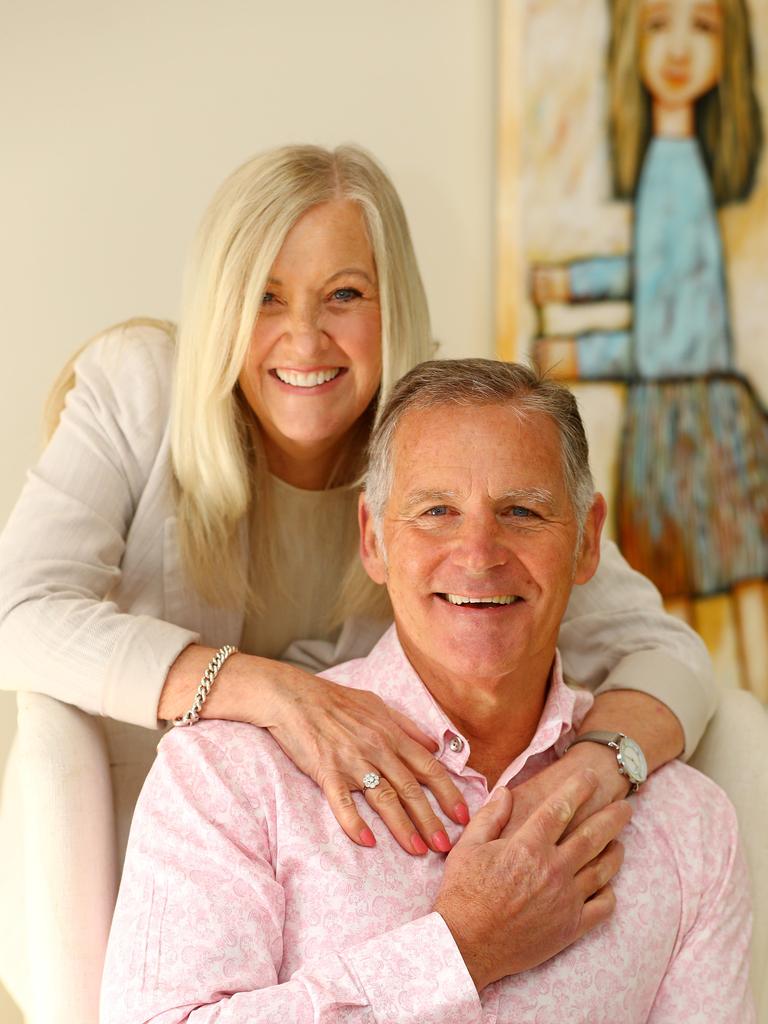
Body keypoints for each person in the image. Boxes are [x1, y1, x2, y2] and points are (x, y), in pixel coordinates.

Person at [0, 145, 715, 991]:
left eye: (345, 295)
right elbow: (20, 613)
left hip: (343, 867)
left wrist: (602, 764)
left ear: (394, 306)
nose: (305, 338)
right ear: (218, 302)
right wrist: (269, 692)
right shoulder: (139, 386)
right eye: (264, 296)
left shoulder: (441, 439)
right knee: (48, 727)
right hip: (142, 835)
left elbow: (668, 653)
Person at [100, 358, 753, 1023]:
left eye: (522, 511)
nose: (478, 552)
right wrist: (461, 950)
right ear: (373, 539)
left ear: (587, 539)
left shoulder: (687, 824)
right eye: (436, 511)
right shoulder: (229, 778)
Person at [532, 0, 768, 696]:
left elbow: (671, 321)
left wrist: (579, 353)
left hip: (689, 400)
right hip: (675, 403)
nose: (677, 49)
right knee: (687, 591)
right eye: (659, 24)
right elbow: (656, 279)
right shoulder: (670, 164)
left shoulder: (681, 165)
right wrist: (572, 287)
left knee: (723, 579)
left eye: (703, 28)